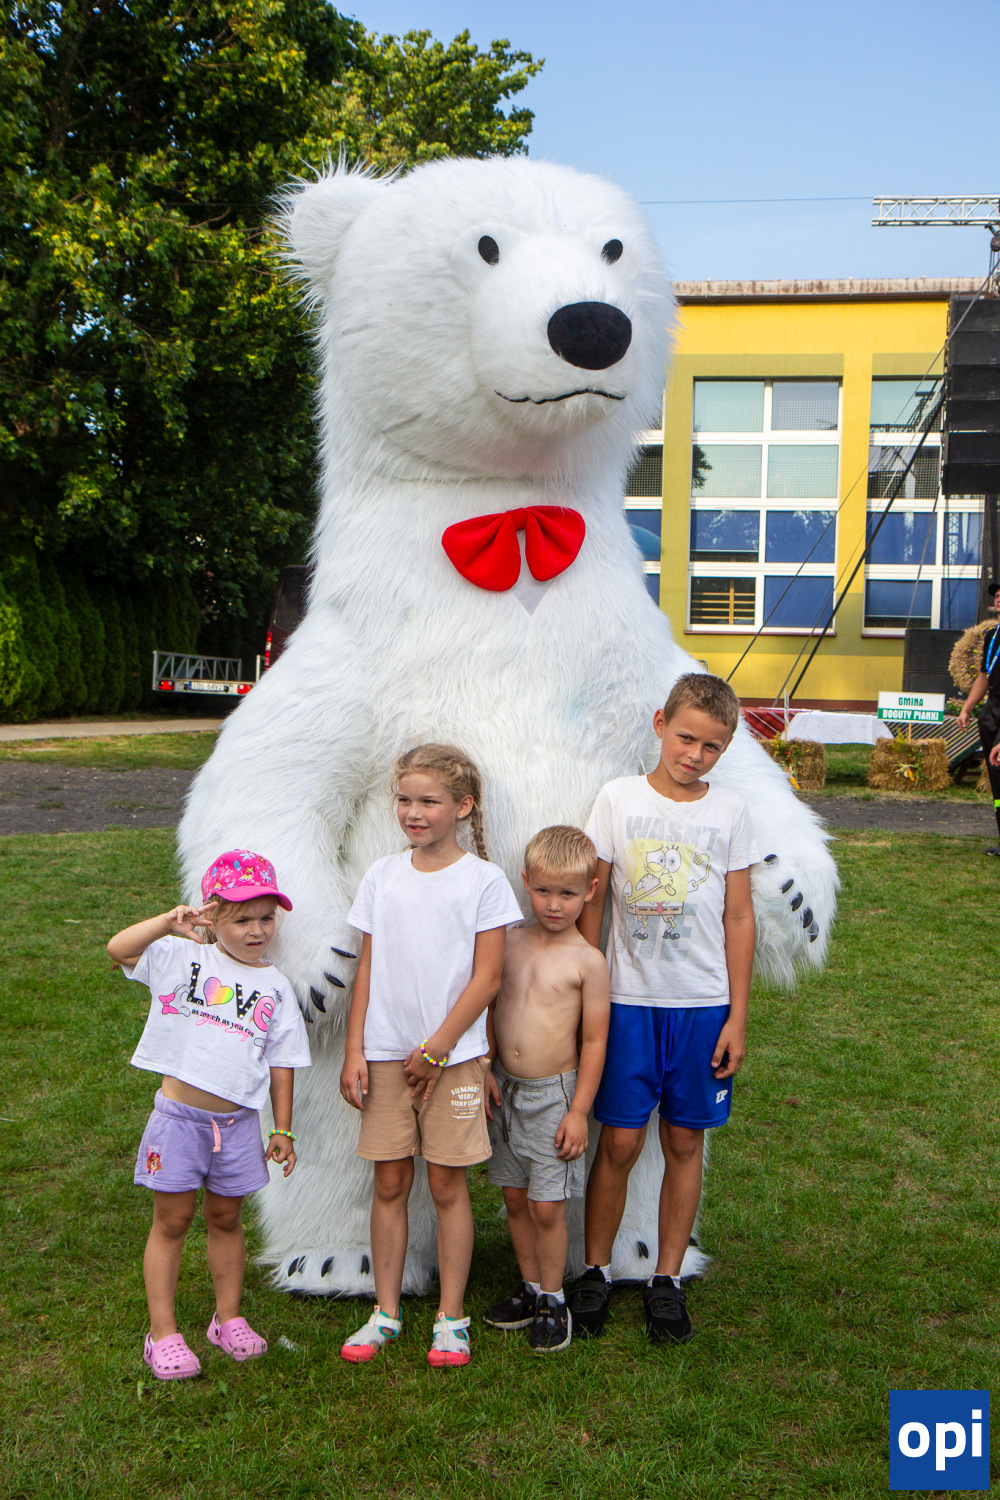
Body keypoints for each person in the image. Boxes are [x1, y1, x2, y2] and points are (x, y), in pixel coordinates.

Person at [567, 672, 757, 1345]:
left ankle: (666, 1279)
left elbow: (739, 916)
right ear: (660, 724)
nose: (695, 755)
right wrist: (586, 992)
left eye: (712, 747)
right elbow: (594, 904)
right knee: (618, 1141)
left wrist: (737, 1016)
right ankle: (594, 1269)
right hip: (627, 1004)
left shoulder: (730, 812)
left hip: (702, 1007)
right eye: (685, 738)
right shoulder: (617, 799)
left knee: (683, 1140)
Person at [338, 743, 523, 1368]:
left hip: (456, 1058)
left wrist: (438, 1050)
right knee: (390, 1181)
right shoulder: (381, 876)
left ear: (463, 807)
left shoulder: (484, 881)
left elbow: (488, 978)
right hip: (386, 1055)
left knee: (447, 1183)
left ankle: (451, 1317)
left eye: (429, 801)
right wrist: (355, 1049)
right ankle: (385, 1312)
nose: (413, 813)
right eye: (404, 800)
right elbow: (368, 969)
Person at [107, 850, 311, 1381]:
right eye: (242, 919)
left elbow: (283, 1063)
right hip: (178, 1122)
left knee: (226, 1219)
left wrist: (282, 1128)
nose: (256, 930)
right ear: (211, 916)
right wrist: (167, 922)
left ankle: (228, 1319)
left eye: (266, 918)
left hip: (238, 1127)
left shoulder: (276, 987)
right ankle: (163, 1333)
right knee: (172, 1222)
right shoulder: (181, 957)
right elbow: (118, 949)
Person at [482, 826, 610, 1354]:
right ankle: (531, 1285)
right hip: (505, 1091)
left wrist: (579, 1111)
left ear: (590, 892)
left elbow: (595, 1041)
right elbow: (491, 1006)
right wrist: (486, 1066)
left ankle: (555, 1298)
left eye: (567, 894)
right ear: (526, 882)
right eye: (543, 891)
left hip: (554, 1096)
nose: (554, 905)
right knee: (514, 1196)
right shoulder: (510, 942)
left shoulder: (588, 961)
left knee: (546, 1205)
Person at [958, 581, 1000, 854]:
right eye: (997, 595)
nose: (998, 598)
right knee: (997, 779)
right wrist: (967, 708)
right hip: (992, 711)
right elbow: (984, 676)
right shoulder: (992, 635)